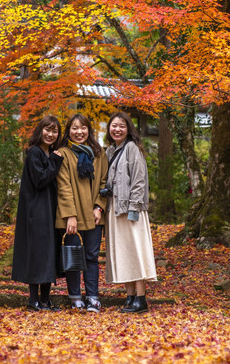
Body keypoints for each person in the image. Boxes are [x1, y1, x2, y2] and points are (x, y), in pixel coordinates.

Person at [104, 111, 156, 313]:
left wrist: (134, 208)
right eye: (114, 125)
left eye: (122, 126)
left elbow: (139, 180)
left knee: (136, 252)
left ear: (128, 129)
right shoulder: (110, 151)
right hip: (115, 210)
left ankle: (141, 298)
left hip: (131, 210)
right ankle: (130, 296)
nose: (117, 129)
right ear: (109, 129)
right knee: (123, 253)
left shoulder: (132, 148)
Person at [55, 113, 108, 312]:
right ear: (68, 131)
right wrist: (70, 215)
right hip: (73, 216)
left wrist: (99, 206)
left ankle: (93, 296)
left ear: (89, 130)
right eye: (74, 128)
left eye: (83, 128)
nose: (79, 132)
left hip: (94, 215)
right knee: (74, 256)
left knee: (92, 256)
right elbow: (64, 186)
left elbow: (104, 182)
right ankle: (75, 296)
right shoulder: (63, 153)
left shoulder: (99, 153)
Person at [12, 116, 64, 311]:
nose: (51, 134)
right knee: (37, 253)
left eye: (55, 131)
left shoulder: (50, 153)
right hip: (36, 211)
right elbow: (41, 180)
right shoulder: (34, 153)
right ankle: (33, 300)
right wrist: (55, 161)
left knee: (49, 252)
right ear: (40, 130)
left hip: (49, 209)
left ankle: (46, 299)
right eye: (47, 130)